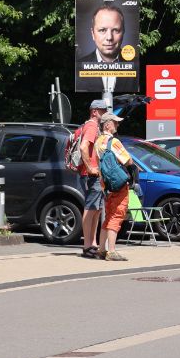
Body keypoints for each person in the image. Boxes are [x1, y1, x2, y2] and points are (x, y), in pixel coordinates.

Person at [95, 111, 135, 261]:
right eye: (115, 122)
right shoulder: (113, 142)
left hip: (106, 185)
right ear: (107, 125)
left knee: (109, 216)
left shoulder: (98, 141)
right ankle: (111, 251)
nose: (117, 124)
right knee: (117, 215)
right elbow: (128, 160)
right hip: (119, 184)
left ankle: (101, 249)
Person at [76, 3, 135, 93]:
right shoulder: (79, 67)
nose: (109, 37)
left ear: (123, 32)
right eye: (102, 30)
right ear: (92, 34)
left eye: (115, 30)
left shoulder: (135, 67)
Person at [78, 101, 107, 259]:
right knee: (90, 209)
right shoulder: (91, 126)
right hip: (91, 174)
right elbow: (83, 147)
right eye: (102, 111)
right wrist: (90, 168)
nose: (104, 113)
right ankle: (87, 246)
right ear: (94, 111)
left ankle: (93, 243)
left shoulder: (93, 126)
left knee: (96, 209)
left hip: (95, 174)